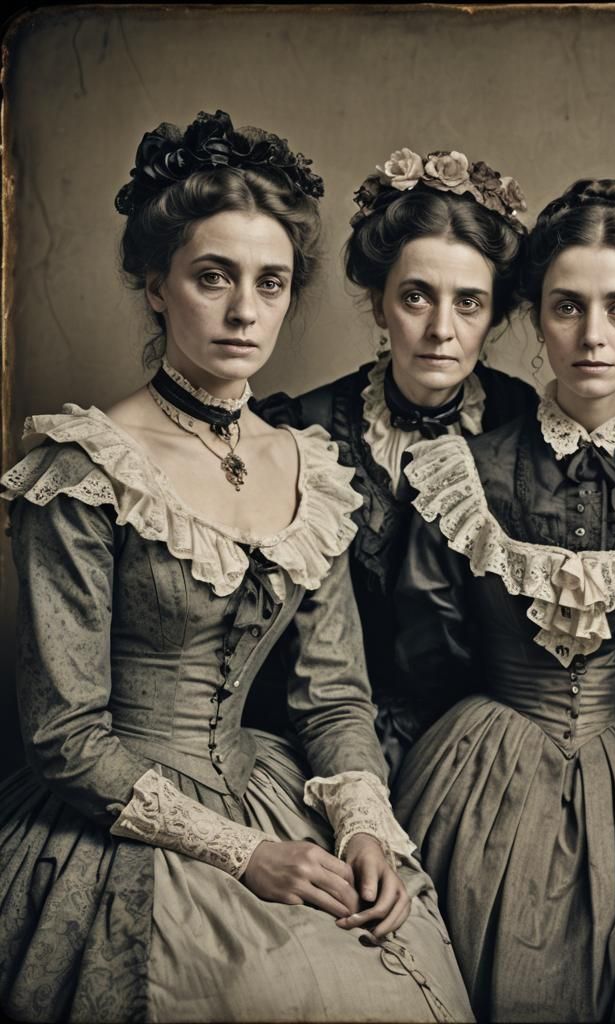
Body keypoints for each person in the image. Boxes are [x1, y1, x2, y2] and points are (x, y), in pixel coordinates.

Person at [0, 110, 472, 1023]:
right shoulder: (88, 468)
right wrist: (244, 854)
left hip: (268, 788)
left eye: (271, 282)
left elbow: (333, 697)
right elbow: (63, 735)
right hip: (122, 816)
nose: (245, 311)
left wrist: (363, 827)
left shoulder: (306, 467)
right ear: (155, 286)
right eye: (212, 277)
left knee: (389, 960)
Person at [390, 178, 615, 1023]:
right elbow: (426, 656)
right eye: (567, 307)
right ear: (537, 316)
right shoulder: (459, 472)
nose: (593, 336)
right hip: (476, 775)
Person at [251, 148, 538, 779]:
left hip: (483, 748)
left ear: (494, 313)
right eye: (416, 297)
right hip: (325, 736)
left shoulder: (529, 425)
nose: (441, 329)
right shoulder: (302, 429)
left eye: (469, 302)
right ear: (380, 305)